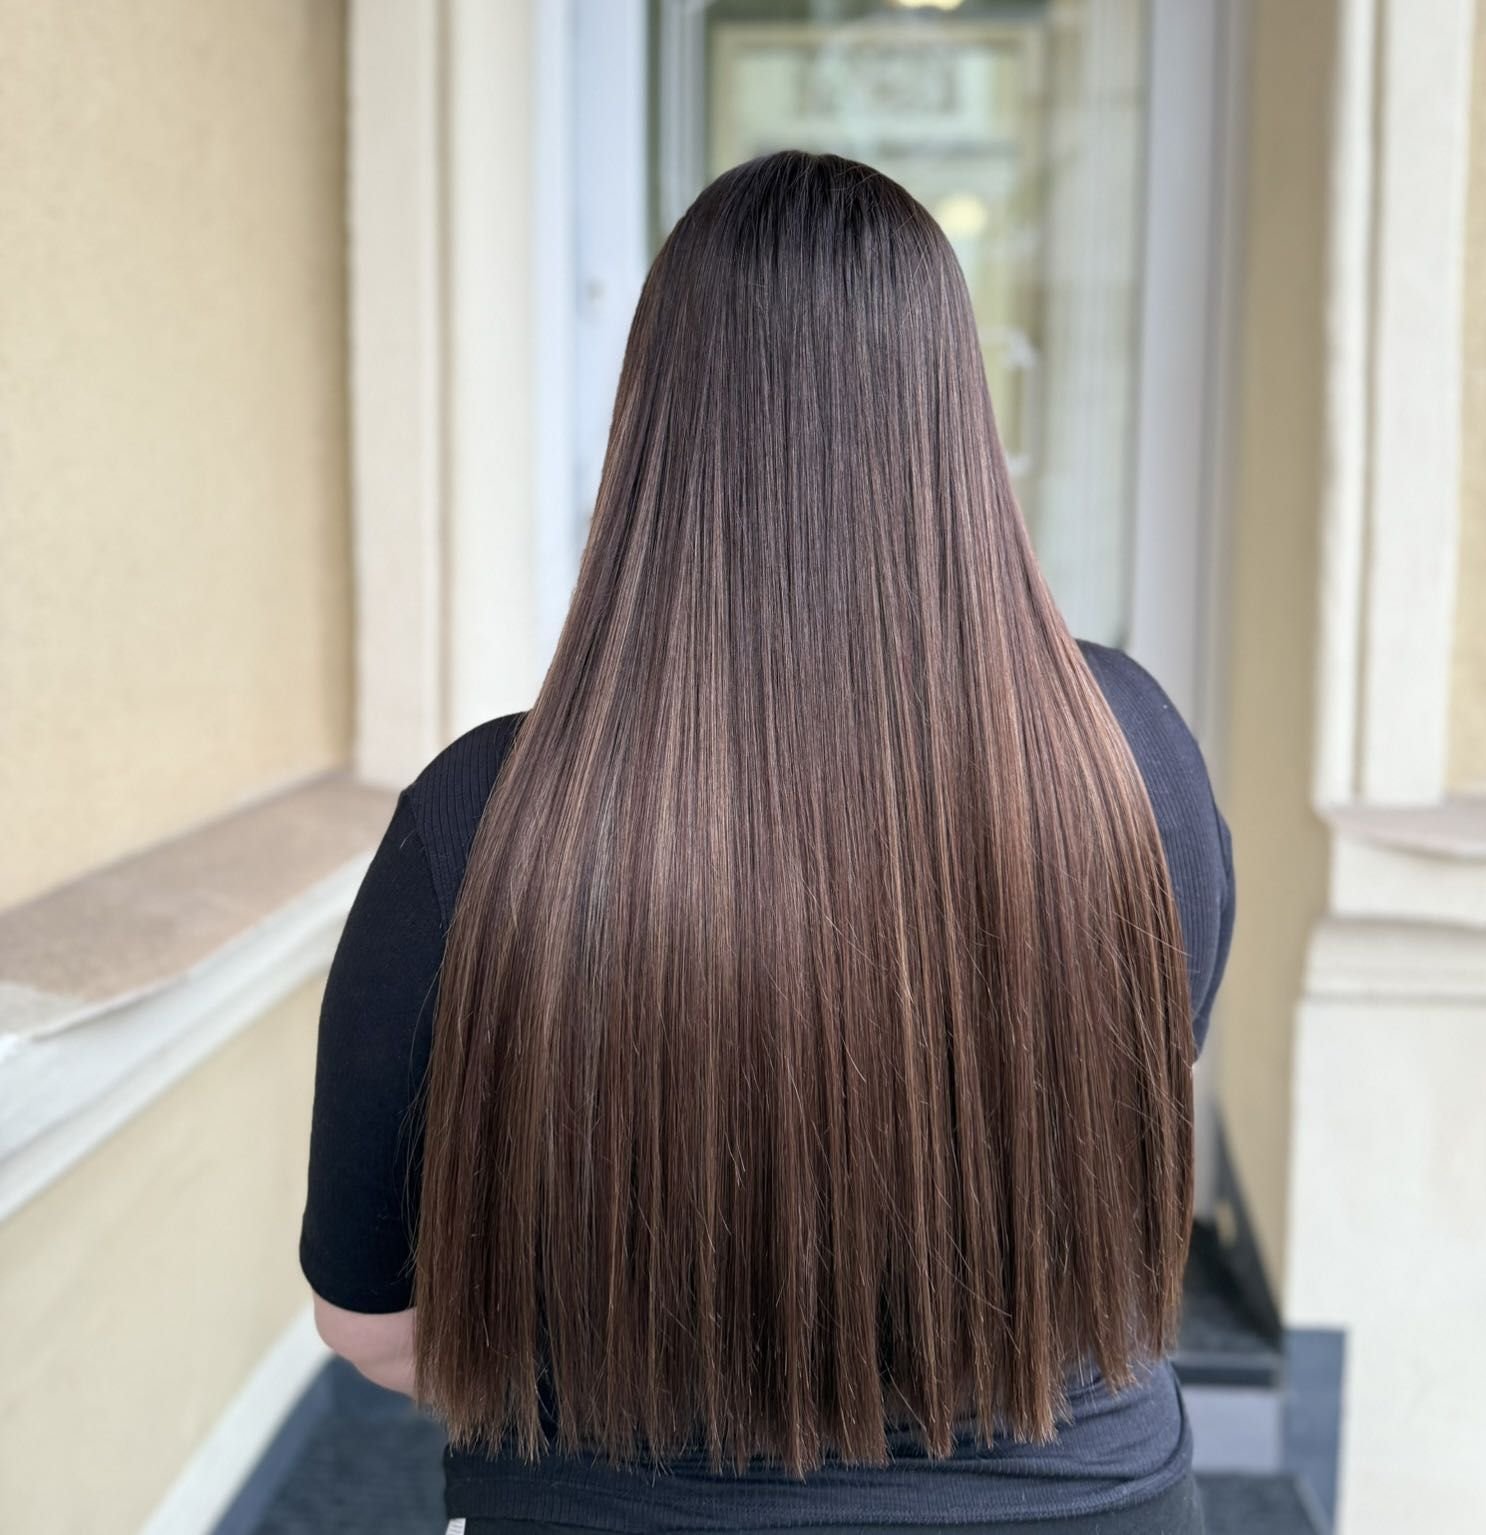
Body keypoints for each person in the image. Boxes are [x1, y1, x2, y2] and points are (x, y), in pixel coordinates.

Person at [300, 150, 1235, 1535]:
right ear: (956, 419)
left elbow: (370, 1323)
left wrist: (634, 1389)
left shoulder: (482, 823)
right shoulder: (1126, 750)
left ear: (654, 433)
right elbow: (1140, 1094)